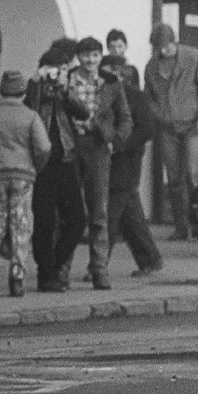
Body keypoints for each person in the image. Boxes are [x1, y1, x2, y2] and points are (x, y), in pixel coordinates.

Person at [0, 71, 51, 298]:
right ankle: (17, 278)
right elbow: (44, 147)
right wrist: (35, 167)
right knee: (21, 226)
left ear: (1, 91)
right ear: (23, 92)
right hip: (23, 176)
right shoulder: (30, 116)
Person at [67, 37, 132, 290]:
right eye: (85, 55)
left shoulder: (111, 82)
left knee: (99, 212)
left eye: (95, 55)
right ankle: (62, 269)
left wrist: (116, 140)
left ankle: (99, 269)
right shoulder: (67, 79)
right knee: (69, 211)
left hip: (98, 147)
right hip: (71, 146)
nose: (90, 60)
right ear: (78, 57)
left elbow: (125, 118)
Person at [145, 23, 198, 241]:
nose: (163, 51)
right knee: (174, 178)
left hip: (192, 125)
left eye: (166, 46)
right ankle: (181, 226)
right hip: (167, 127)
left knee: (194, 175)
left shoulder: (193, 56)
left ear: (174, 41)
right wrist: (158, 113)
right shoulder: (151, 66)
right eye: (158, 48)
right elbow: (148, 96)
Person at [26, 46, 90, 293]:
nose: (58, 74)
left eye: (62, 70)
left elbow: (83, 112)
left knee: (77, 219)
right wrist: (36, 83)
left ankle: (53, 264)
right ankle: (46, 274)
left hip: (65, 159)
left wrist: (64, 91)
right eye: (54, 70)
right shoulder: (35, 89)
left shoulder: (65, 90)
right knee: (44, 221)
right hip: (41, 163)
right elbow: (29, 110)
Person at [101, 54, 163, 276]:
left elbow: (147, 129)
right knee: (129, 212)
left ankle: (99, 263)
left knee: (112, 210)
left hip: (127, 159)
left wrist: (122, 145)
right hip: (107, 157)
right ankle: (150, 258)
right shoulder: (101, 94)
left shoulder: (136, 96)